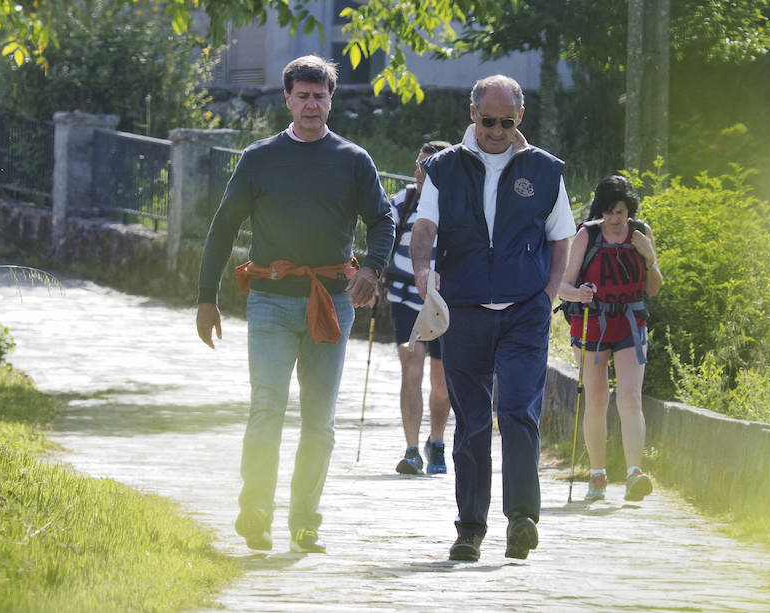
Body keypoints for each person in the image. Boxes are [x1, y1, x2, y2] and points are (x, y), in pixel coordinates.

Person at [195, 55, 394, 554]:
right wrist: (206, 298)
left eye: (320, 95)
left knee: (319, 418)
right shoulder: (260, 158)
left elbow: (383, 220)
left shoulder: (353, 160)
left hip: (332, 305)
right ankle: (256, 509)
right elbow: (223, 228)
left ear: (331, 100)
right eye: (302, 95)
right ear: (287, 99)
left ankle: (305, 520)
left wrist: (371, 268)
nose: (311, 103)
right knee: (267, 406)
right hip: (270, 302)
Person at [409, 75, 576, 562]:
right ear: (472, 113)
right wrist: (424, 271)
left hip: (525, 311)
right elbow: (425, 228)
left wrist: (547, 297)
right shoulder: (443, 168)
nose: (497, 130)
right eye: (488, 121)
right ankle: (470, 529)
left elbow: (560, 237)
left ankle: (522, 518)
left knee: (519, 410)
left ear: (519, 118)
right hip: (462, 311)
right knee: (474, 421)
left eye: (507, 121)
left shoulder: (545, 170)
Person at [557, 175, 663, 503]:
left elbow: (654, 287)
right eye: (609, 212)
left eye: (621, 212)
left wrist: (649, 257)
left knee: (630, 397)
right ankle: (598, 474)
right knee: (598, 400)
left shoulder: (642, 233)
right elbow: (563, 285)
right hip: (593, 325)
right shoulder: (587, 235)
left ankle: (634, 474)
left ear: (630, 210)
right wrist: (581, 294)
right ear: (601, 211)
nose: (616, 220)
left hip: (630, 324)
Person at [384, 140, 453, 475]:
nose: (418, 173)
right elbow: (382, 235)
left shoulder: (457, 205)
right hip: (406, 298)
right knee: (412, 369)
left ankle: (436, 441)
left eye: (426, 167)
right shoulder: (404, 200)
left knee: (442, 383)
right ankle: (412, 450)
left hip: (445, 303)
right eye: (418, 166)